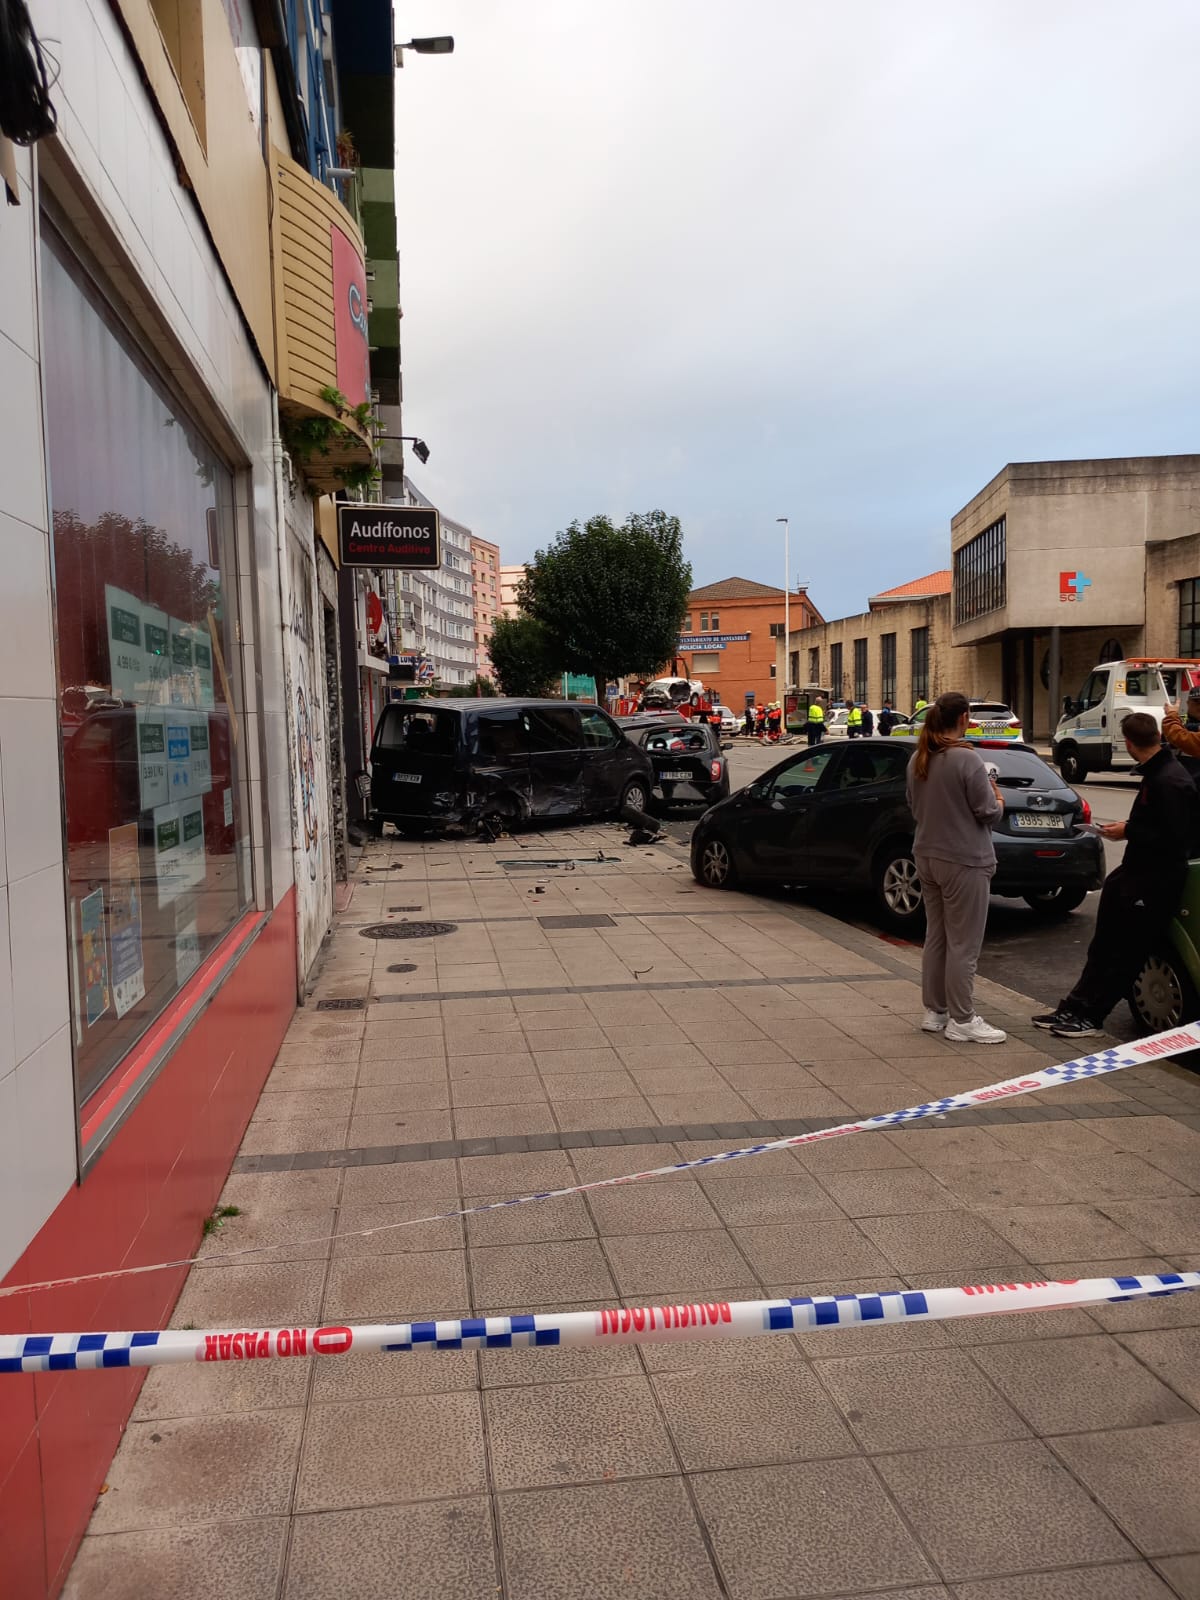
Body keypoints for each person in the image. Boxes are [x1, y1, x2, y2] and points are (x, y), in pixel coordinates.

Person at [1034, 710, 1200, 1038]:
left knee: (1126, 953)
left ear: (1128, 742)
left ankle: (1092, 1017)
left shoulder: (1170, 780)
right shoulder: (1161, 775)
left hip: (1153, 881)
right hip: (1137, 875)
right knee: (1104, 947)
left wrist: (1128, 830)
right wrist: (1129, 831)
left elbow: (1174, 837)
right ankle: (1075, 1006)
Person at [906, 691, 1007, 1044]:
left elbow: (913, 806)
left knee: (937, 936)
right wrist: (998, 798)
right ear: (964, 718)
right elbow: (986, 812)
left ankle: (935, 1011)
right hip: (965, 858)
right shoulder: (968, 760)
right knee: (965, 943)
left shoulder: (919, 758)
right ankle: (963, 1019)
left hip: (927, 854)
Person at [1162, 689, 1200, 784]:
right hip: (1178, 780)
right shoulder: (1178, 720)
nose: (1199, 706)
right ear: (1188, 703)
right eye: (1196, 701)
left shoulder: (1174, 721)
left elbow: (1177, 734)